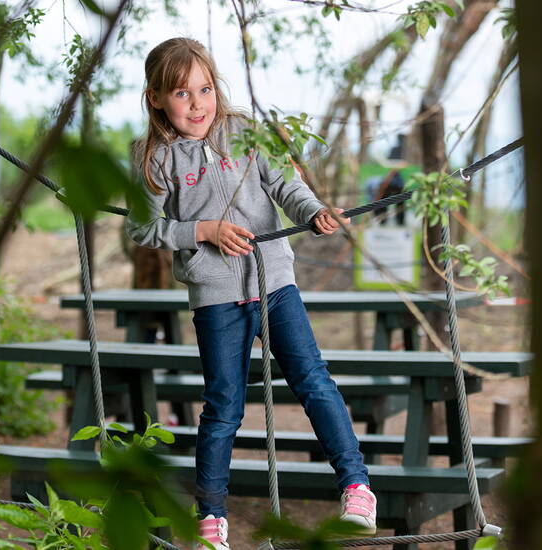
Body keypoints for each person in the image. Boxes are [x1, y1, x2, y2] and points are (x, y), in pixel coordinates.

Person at [124, 37, 376, 549]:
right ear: (156, 98)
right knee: (223, 406)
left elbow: (287, 186)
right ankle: (211, 519)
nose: (197, 104)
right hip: (216, 295)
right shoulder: (153, 157)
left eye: (205, 89)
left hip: (275, 283)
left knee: (313, 380)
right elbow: (143, 230)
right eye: (181, 93)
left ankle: (357, 488)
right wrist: (202, 230)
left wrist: (313, 213)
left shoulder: (243, 133)